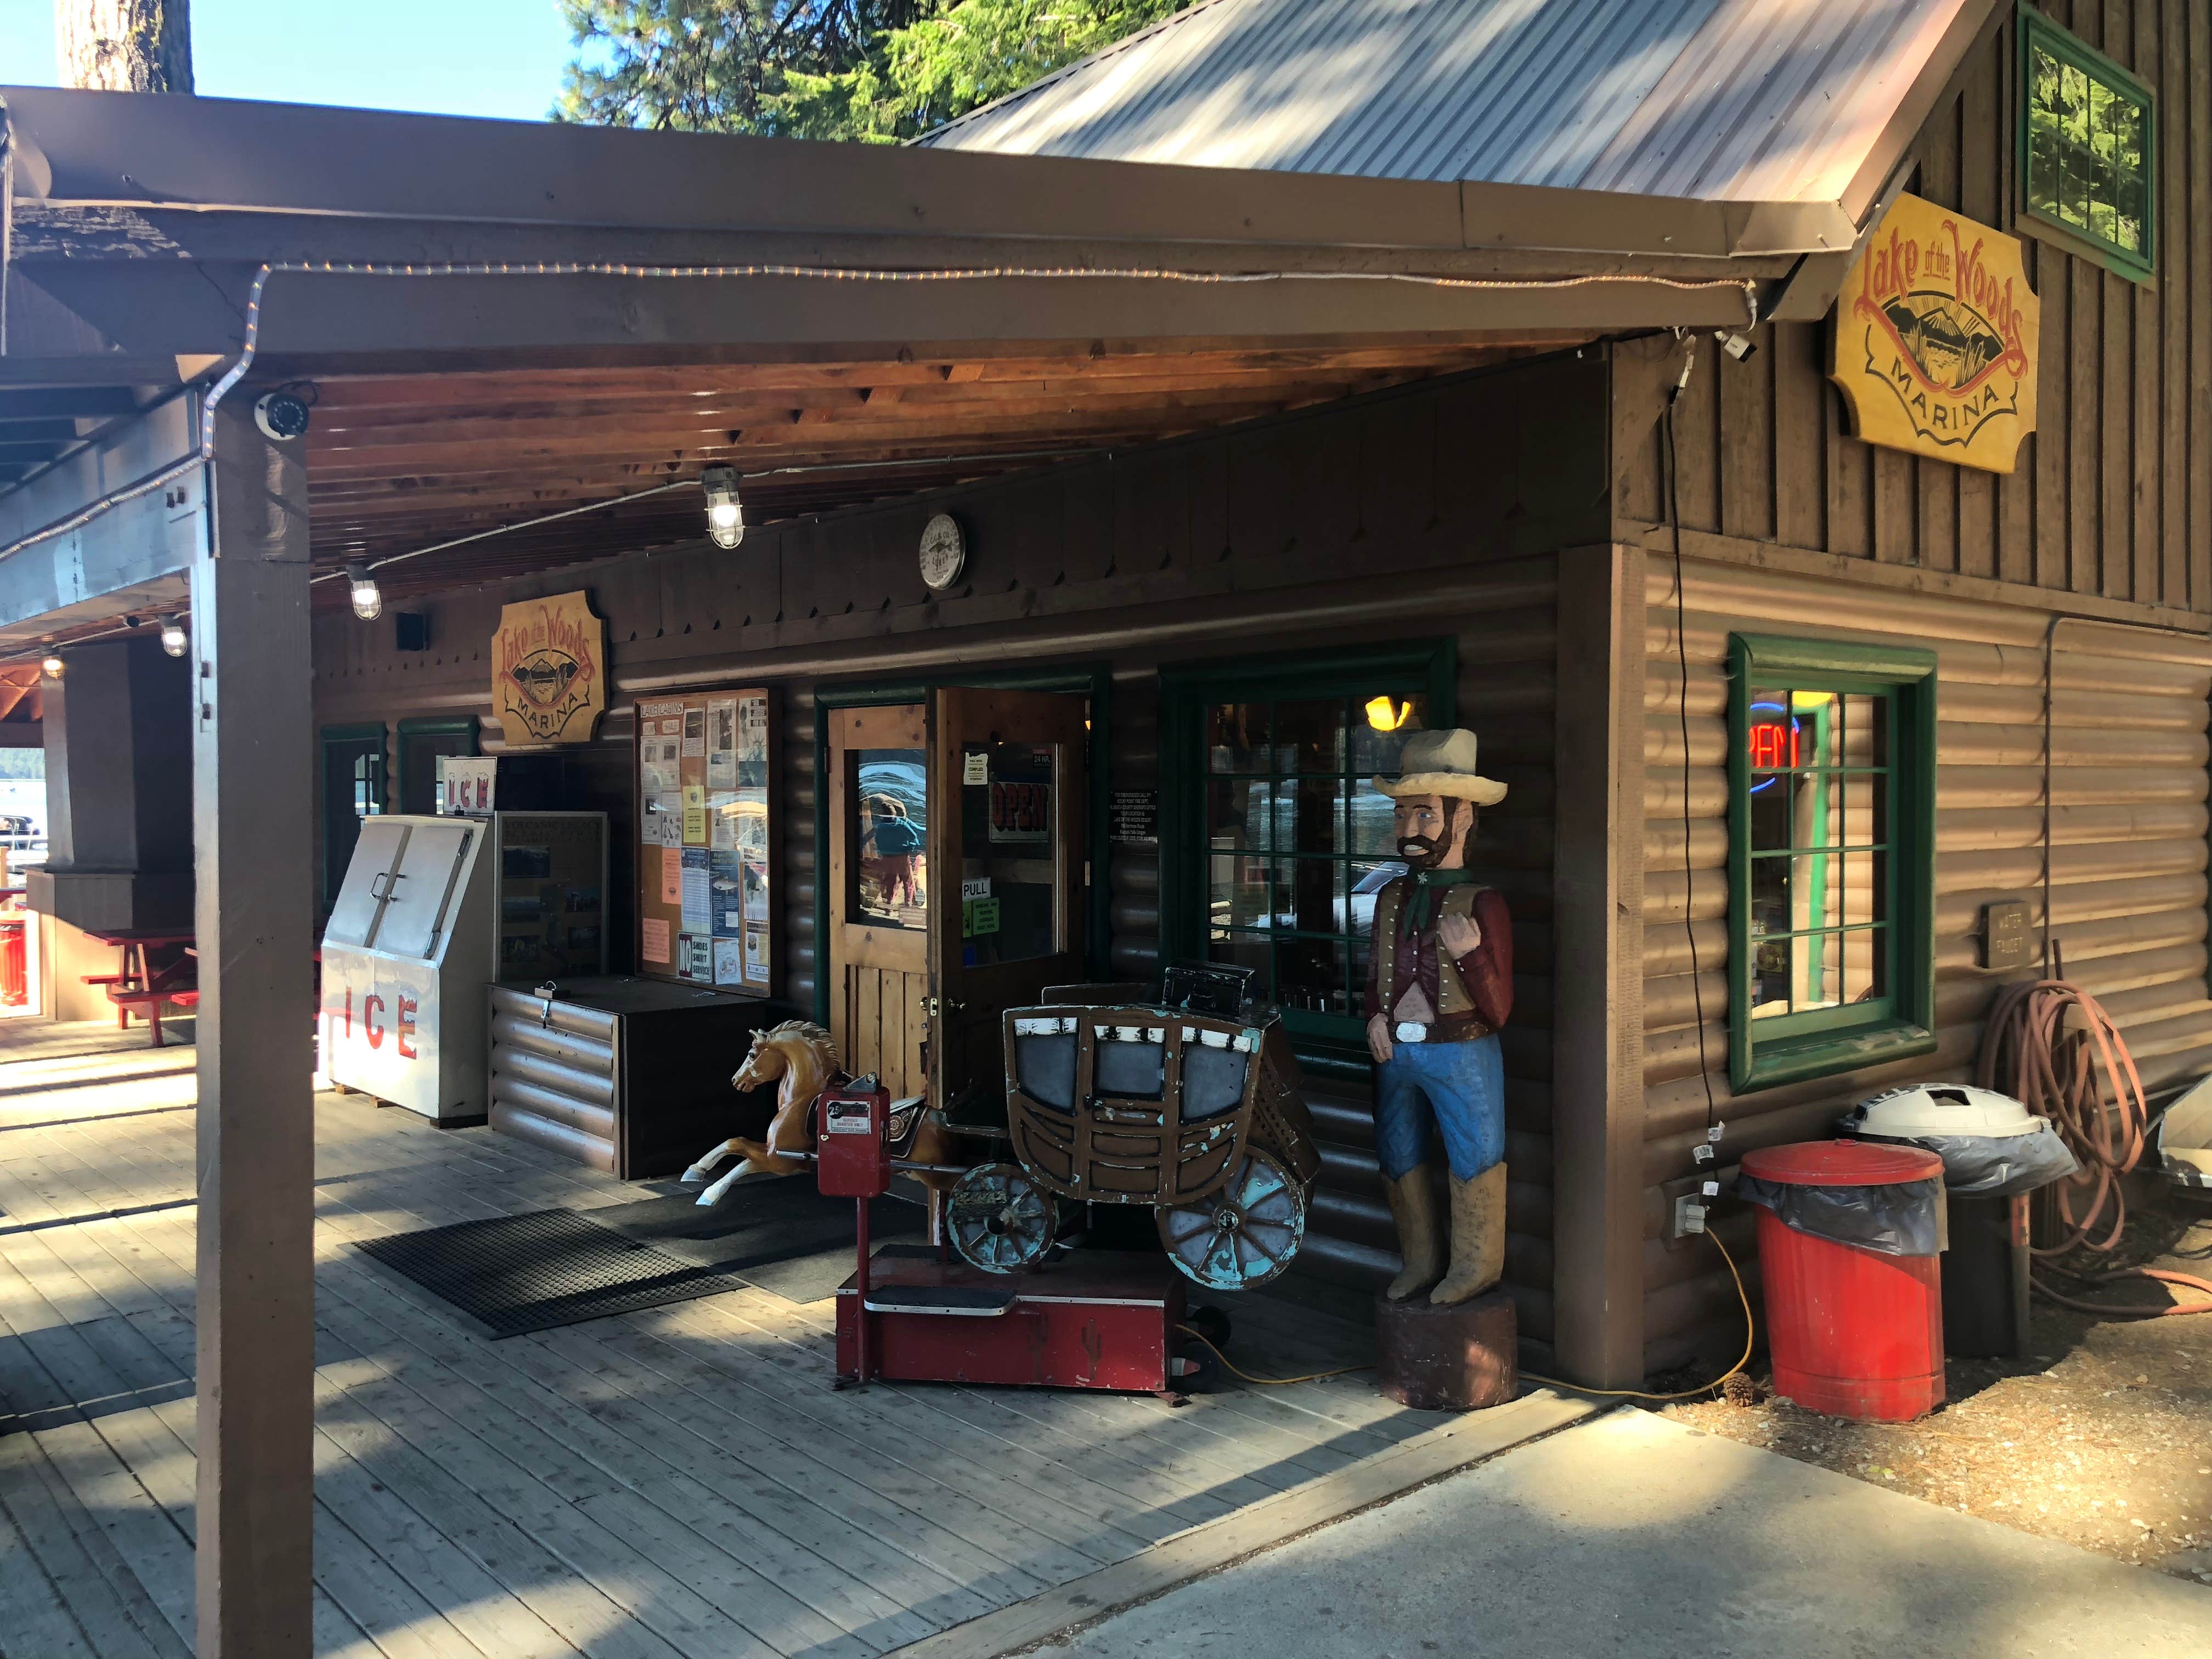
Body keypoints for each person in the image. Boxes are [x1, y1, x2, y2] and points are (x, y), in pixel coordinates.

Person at [1364, 727, 1514, 1306]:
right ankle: (1420, 1259)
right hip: (1394, 1052)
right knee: (1398, 1152)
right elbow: (1374, 973)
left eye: (1425, 816)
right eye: (1403, 815)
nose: (1408, 831)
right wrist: (1373, 1016)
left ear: (1464, 818)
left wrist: (1472, 956)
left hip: (1463, 1050)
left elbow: (1500, 1010)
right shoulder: (1388, 898)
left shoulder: (1482, 903)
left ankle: (1475, 1265)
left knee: (1474, 1152)